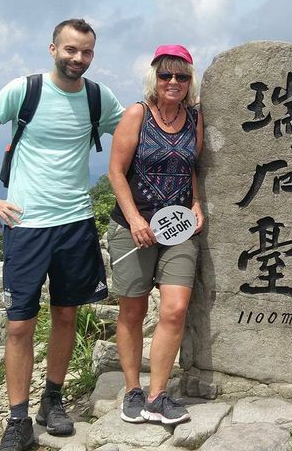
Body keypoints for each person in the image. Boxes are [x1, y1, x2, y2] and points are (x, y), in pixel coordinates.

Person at [0, 19, 124, 451]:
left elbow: (133, 132)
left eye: (86, 52)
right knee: (20, 325)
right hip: (26, 225)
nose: (78, 59)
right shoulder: (24, 90)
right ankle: (17, 419)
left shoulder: (97, 96)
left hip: (75, 222)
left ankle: (52, 400)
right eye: (70, 50)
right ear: (53, 48)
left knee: (67, 315)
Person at [107, 44, 204, 425]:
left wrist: (196, 202)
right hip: (135, 227)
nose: (174, 82)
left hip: (178, 227)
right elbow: (116, 171)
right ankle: (132, 389)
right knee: (132, 308)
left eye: (182, 76)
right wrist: (133, 219)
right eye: (166, 75)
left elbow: (193, 165)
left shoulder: (194, 118)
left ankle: (158, 394)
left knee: (175, 308)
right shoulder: (137, 114)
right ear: (154, 77)